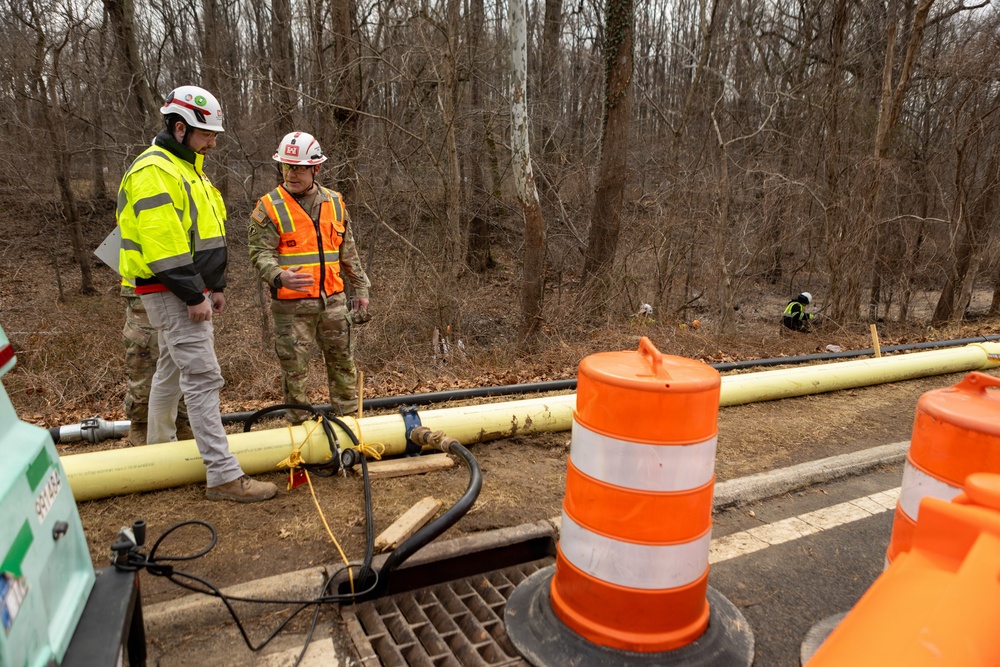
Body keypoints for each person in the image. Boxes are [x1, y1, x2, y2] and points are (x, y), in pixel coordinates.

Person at [116, 85, 277, 502]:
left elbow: (204, 235)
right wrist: (193, 295)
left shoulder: (188, 168)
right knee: (203, 376)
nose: (213, 141)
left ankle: (157, 454)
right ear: (179, 127)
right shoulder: (155, 170)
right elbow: (163, 246)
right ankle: (223, 475)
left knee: (170, 370)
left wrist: (215, 285)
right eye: (207, 134)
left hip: (187, 288)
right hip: (172, 290)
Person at [248, 131, 371, 422]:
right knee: (295, 374)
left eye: (299, 167)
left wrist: (361, 289)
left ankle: (350, 426)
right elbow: (259, 254)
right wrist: (278, 276)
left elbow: (348, 250)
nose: (291, 173)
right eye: (286, 166)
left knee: (344, 366)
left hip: (334, 303)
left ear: (316, 168)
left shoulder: (335, 202)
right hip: (292, 308)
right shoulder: (268, 207)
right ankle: (299, 431)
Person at [121, 282, 193, 446]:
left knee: (180, 355)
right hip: (143, 285)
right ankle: (141, 424)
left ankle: (178, 421)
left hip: (179, 285)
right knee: (145, 359)